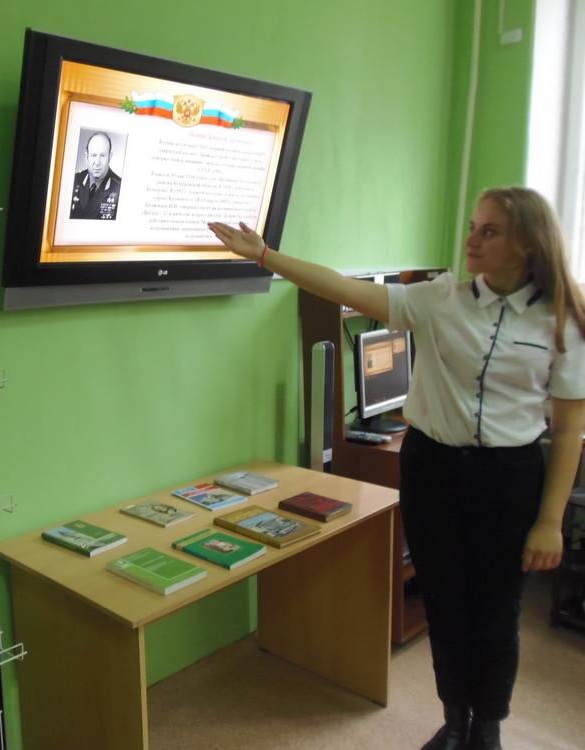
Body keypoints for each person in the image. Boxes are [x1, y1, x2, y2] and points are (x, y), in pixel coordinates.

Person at [209, 186, 585, 750]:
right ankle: (454, 722)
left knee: (496, 613)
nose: (472, 240)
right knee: (444, 605)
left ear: (528, 244)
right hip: (433, 471)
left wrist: (550, 522)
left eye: (490, 231)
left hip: (508, 481)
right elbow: (345, 289)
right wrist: (265, 256)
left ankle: (487, 729)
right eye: (473, 226)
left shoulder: (562, 322)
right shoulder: (440, 299)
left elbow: (570, 431)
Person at [69, 131, 121, 220]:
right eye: (93, 155)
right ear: (86, 157)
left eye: (102, 155)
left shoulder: (119, 188)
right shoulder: (74, 181)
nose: (97, 162)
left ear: (110, 157)